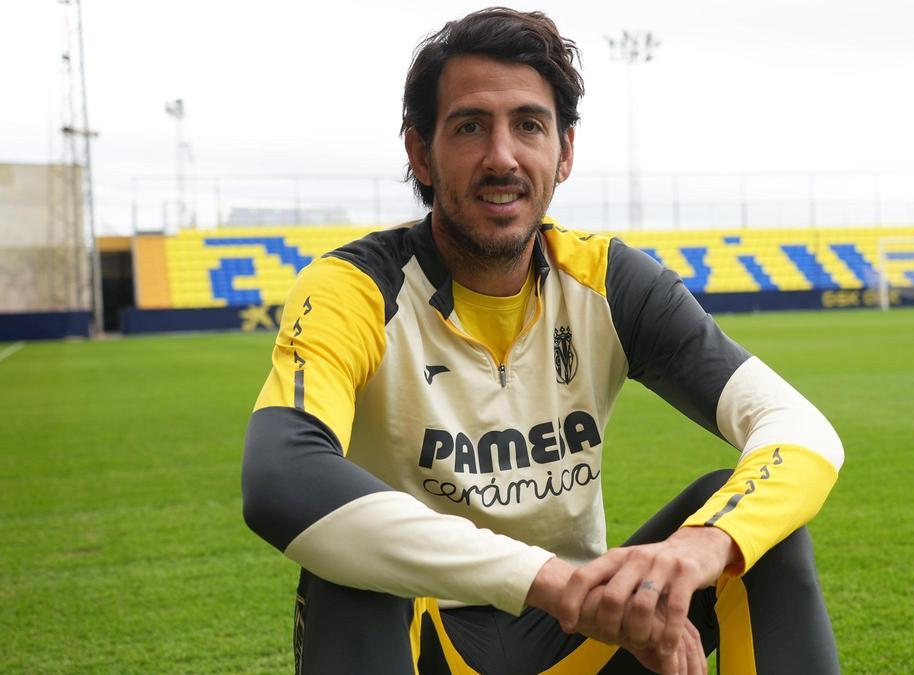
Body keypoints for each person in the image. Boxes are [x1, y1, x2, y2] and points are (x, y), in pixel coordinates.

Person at [242, 7, 844, 674]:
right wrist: (554, 581)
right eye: (470, 126)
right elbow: (281, 475)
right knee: (351, 570)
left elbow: (800, 429)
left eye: (528, 125)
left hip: (580, 638)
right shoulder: (354, 289)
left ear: (564, 153)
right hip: (425, 634)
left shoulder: (610, 283)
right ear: (421, 153)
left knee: (752, 530)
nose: (502, 156)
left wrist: (702, 546)